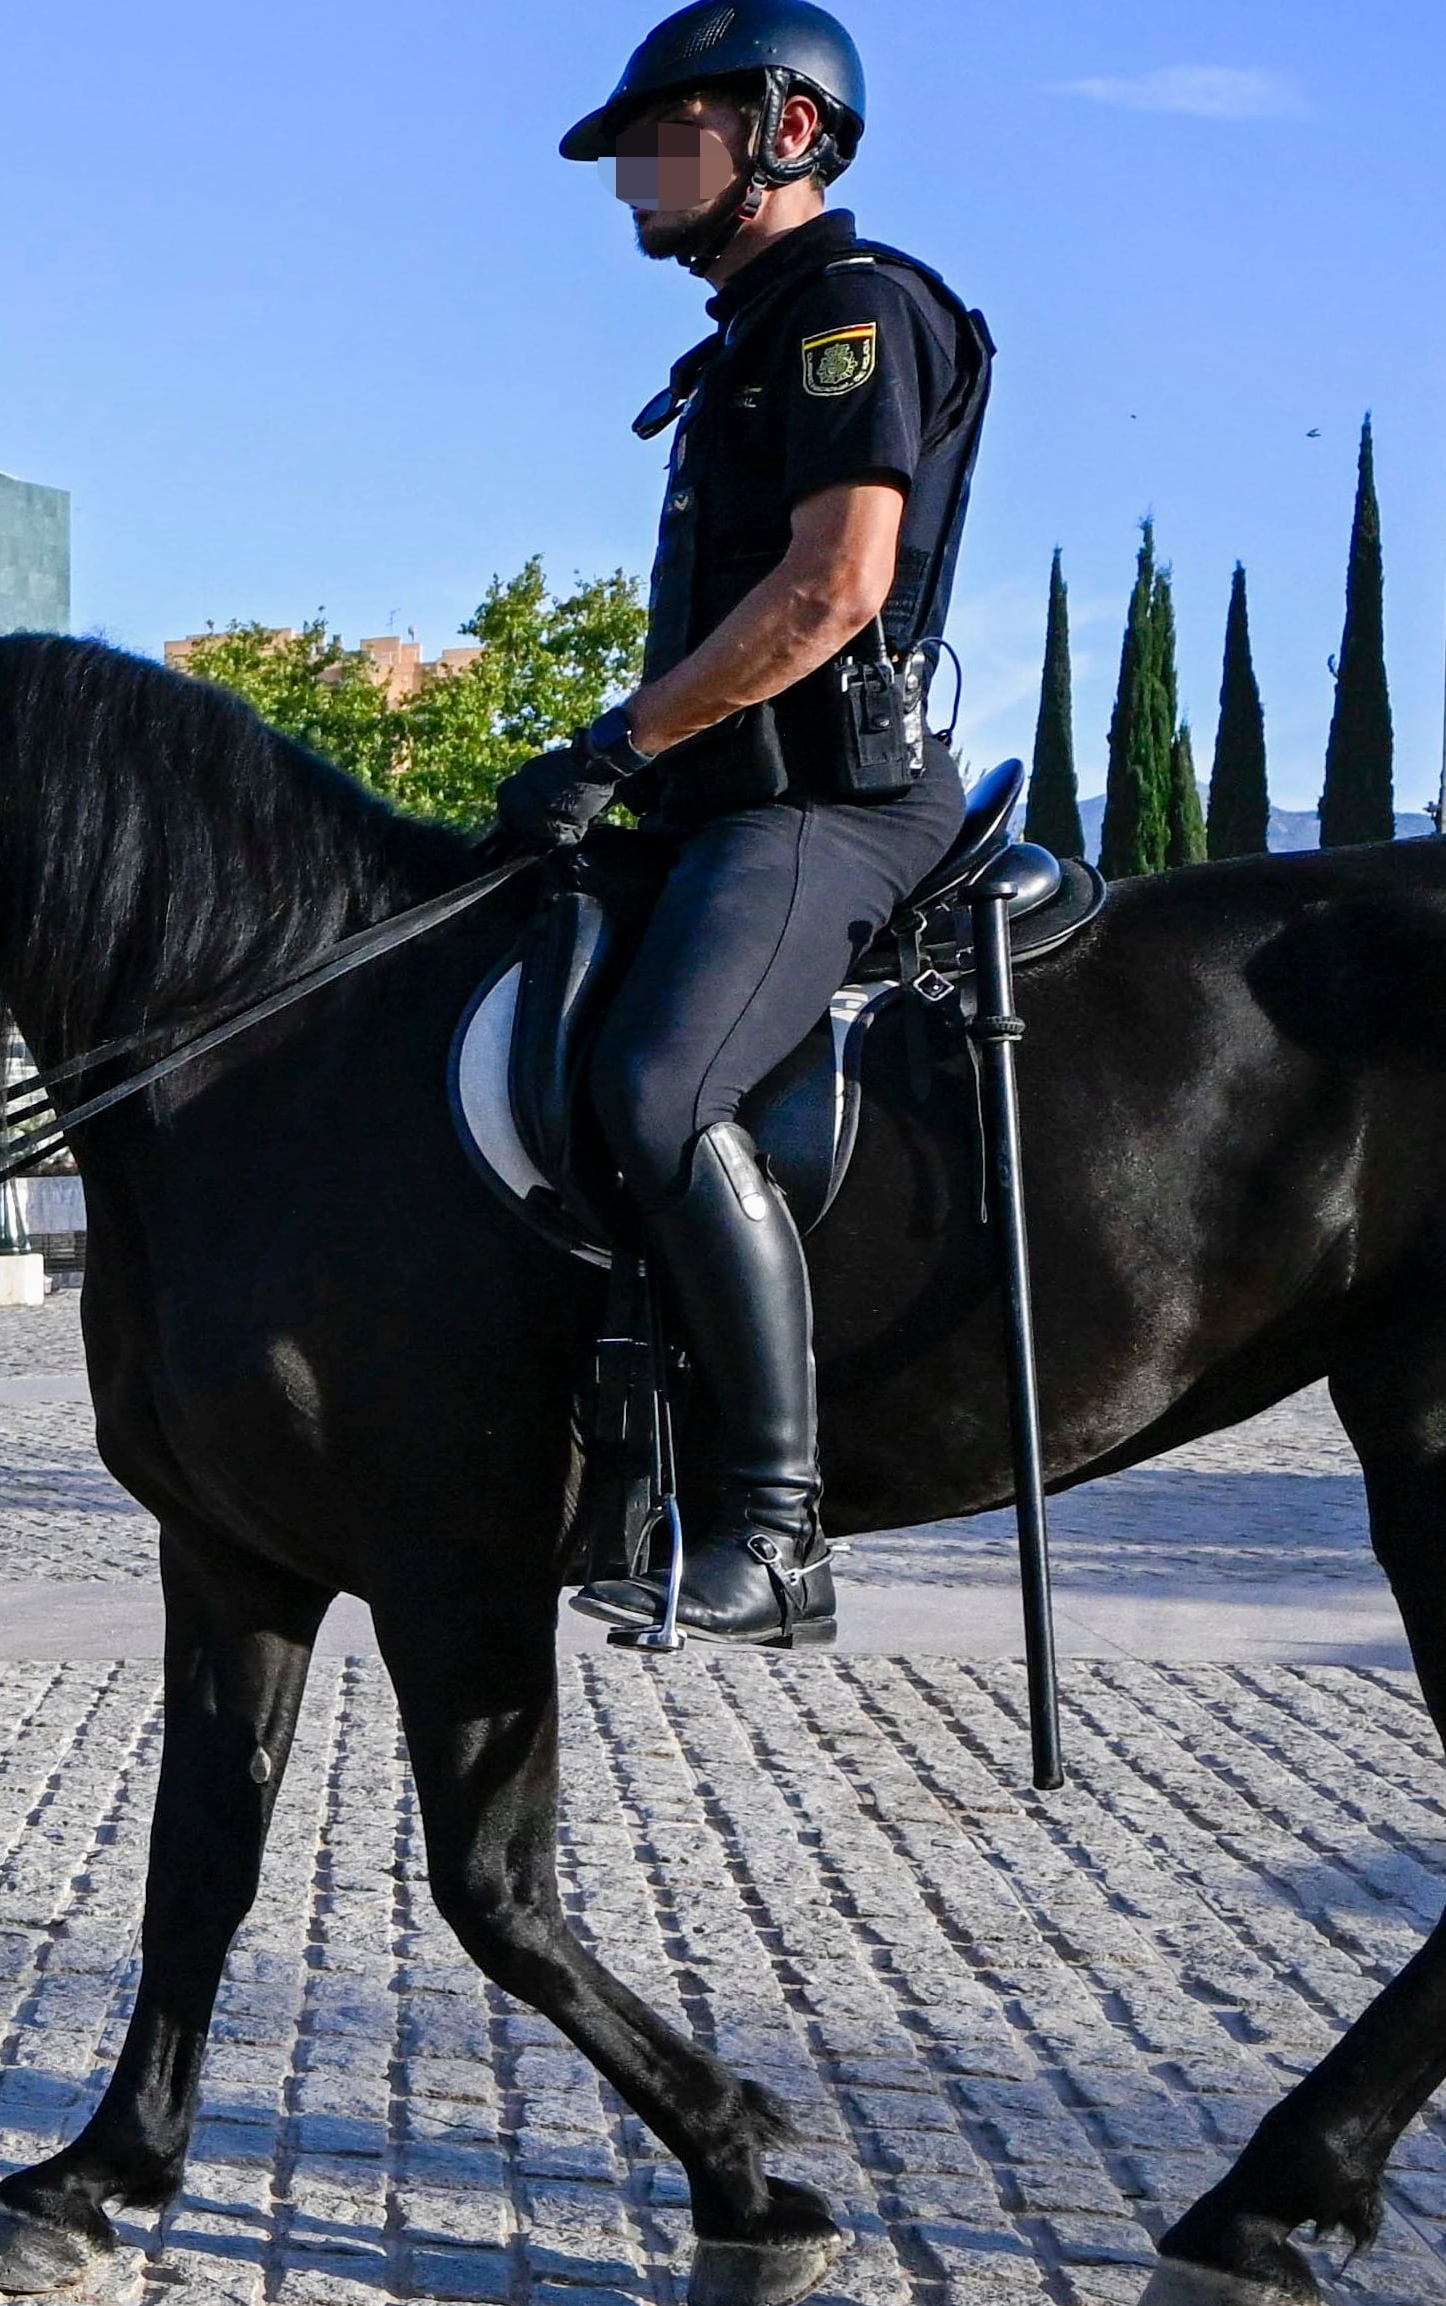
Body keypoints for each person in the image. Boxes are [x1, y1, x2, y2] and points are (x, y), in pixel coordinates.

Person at [494, 0, 988, 1648]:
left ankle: (777, 1533)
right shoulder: (750, 339)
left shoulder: (851, 310)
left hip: (827, 809)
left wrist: (615, 743)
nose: (632, 170)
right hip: (721, 804)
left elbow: (834, 587)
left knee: (660, 1089)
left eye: (663, 130)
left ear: (782, 128)